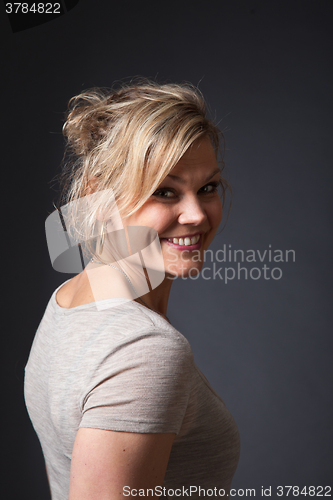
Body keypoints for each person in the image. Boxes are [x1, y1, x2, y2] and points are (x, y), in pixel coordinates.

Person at [24, 79, 240, 500]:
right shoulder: (145, 349)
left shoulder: (70, 299)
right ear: (98, 198)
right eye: (165, 191)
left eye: (207, 187)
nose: (196, 214)